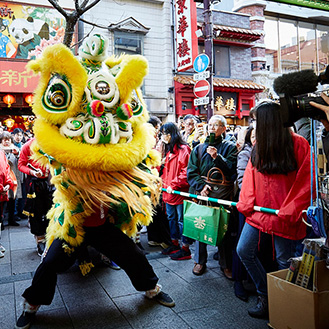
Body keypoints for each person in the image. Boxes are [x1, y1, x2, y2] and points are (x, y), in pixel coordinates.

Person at [236, 101, 312, 319]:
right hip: (261, 211)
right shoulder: (259, 145)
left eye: (256, 120)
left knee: (283, 259)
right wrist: (247, 204)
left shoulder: (299, 143)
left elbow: (306, 181)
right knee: (244, 251)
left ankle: (284, 301)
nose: (253, 124)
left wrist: (291, 208)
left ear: (268, 122)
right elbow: (250, 176)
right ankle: (266, 294)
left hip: (283, 213)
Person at [187, 115, 238, 276]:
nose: (212, 128)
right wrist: (201, 186)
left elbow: (232, 171)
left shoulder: (230, 147)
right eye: (210, 125)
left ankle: (225, 264)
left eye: (216, 125)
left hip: (222, 194)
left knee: (223, 228)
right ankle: (199, 261)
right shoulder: (199, 148)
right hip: (203, 193)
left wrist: (217, 157)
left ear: (224, 128)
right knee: (201, 225)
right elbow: (191, 171)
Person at [160, 122, 194, 260]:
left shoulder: (184, 149)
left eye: (165, 133)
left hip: (178, 192)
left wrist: (173, 185)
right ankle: (175, 243)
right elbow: (166, 172)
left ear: (171, 134)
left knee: (181, 220)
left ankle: (185, 248)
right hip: (169, 192)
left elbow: (185, 172)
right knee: (172, 218)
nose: (163, 136)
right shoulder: (169, 150)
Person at [18, 137, 52, 256]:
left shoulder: (51, 143)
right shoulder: (27, 146)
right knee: (36, 213)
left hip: (50, 182)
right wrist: (33, 172)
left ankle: (50, 237)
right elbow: (21, 165)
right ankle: (40, 240)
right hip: (34, 183)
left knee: (51, 211)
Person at [0, 131, 21, 226]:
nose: (7, 142)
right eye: (5, 140)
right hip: (2, 178)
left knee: (13, 199)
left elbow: (20, 162)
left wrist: (17, 154)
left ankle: (11, 219)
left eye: (8, 140)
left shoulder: (15, 149)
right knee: (2, 201)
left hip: (13, 178)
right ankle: (1, 221)